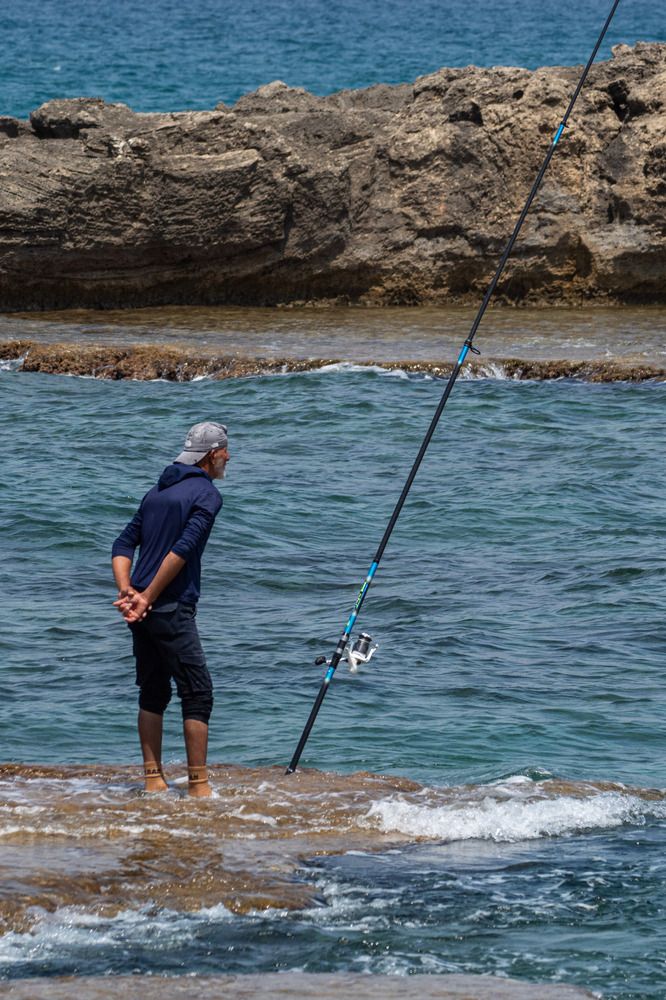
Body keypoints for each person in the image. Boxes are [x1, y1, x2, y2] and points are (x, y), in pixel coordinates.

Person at [111, 421, 229, 797]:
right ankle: (199, 787)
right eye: (226, 450)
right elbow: (183, 549)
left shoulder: (157, 491)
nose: (229, 457)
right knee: (198, 692)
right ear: (211, 455)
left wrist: (129, 591)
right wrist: (147, 596)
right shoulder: (206, 494)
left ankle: (153, 780)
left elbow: (122, 544)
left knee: (153, 690)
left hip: (141, 612)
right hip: (169, 606)